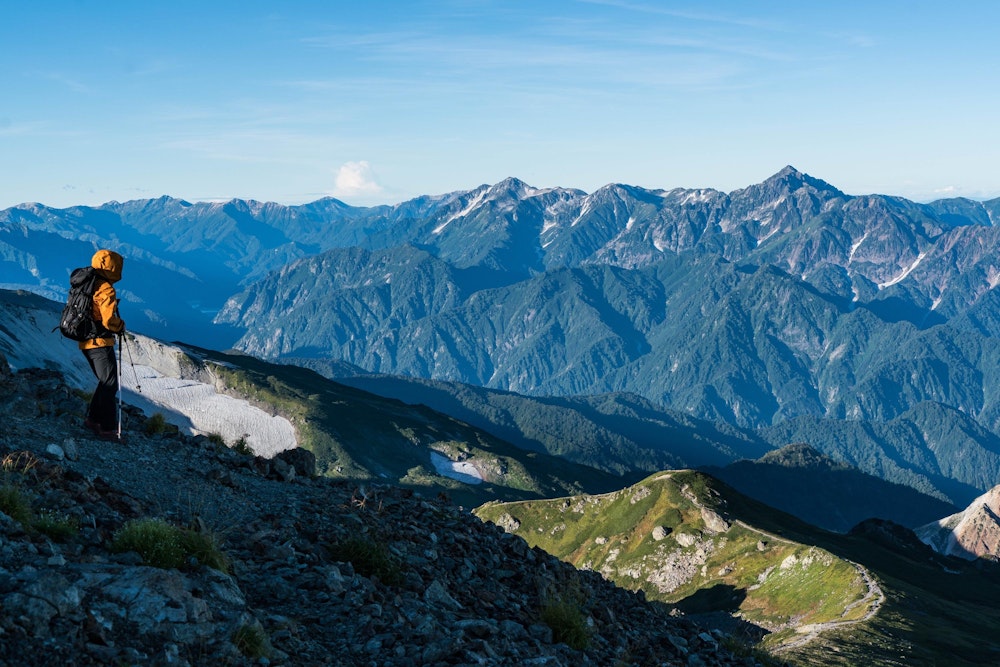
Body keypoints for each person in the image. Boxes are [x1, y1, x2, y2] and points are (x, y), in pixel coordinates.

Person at [81, 249, 126, 441]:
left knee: (105, 381)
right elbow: (108, 321)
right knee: (110, 384)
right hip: (99, 341)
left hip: (85, 340)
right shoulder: (105, 288)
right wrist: (120, 325)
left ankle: (92, 419)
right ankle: (107, 429)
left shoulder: (86, 282)